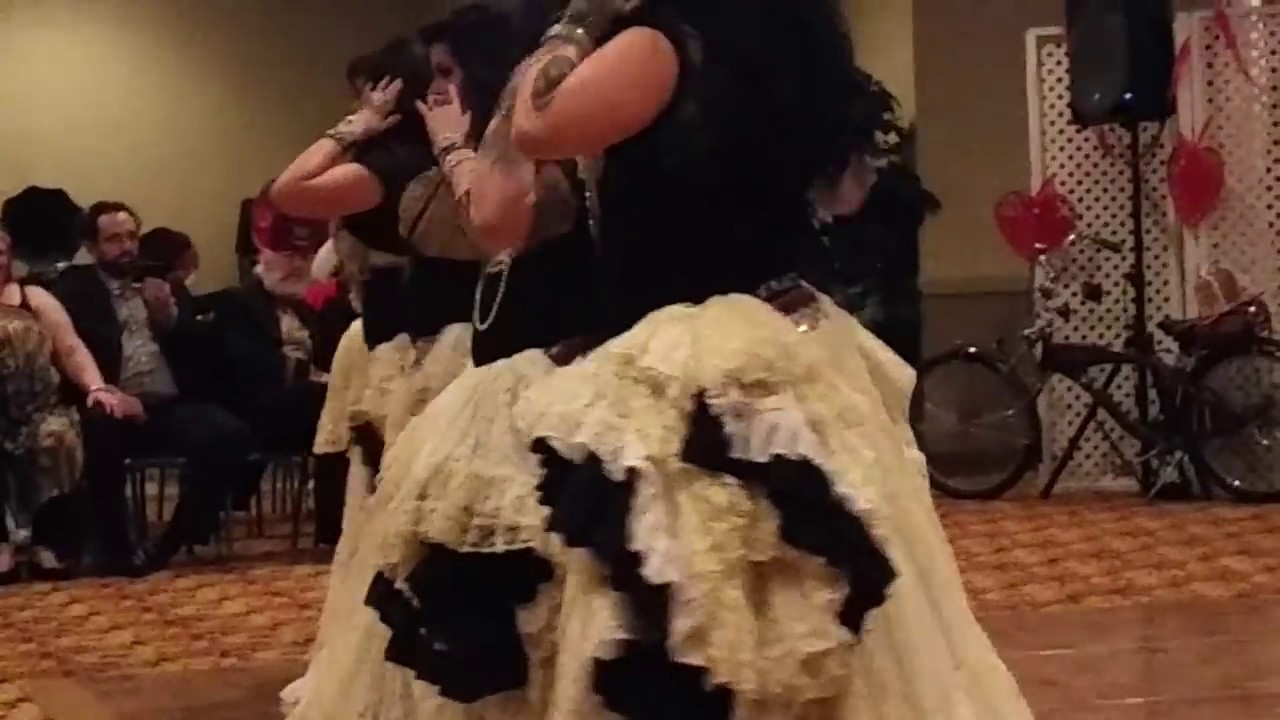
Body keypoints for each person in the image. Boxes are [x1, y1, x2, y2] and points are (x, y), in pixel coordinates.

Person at [299, 0, 1036, 718]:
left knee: (669, 584)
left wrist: (575, 23)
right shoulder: (779, 37)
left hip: (683, 346)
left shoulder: (668, 39)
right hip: (778, 330)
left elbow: (537, 125)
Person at [280, 4, 595, 717]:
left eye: (448, 74)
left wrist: (451, 147)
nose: (436, 92)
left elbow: (497, 226)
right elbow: (290, 196)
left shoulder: (526, 149)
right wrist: (365, 127)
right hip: (462, 356)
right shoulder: (434, 158)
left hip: (516, 366)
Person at [54, 201, 253, 577]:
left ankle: (171, 542)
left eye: (132, 237)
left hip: (167, 404)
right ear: (92, 247)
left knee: (229, 434)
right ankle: (117, 550)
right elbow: (67, 351)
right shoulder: (76, 289)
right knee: (99, 430)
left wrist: (170, 317)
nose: (127, 247)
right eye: (114, 239)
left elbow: (202, 353)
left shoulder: (161, 283)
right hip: (111, 401)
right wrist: (110, 392)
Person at [0, 230, 136, 581]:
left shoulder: (33, 297)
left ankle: (50, 544)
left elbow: (71, 348)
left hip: (38, 409)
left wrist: (96, 387)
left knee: (58, 437)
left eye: (1, 252)